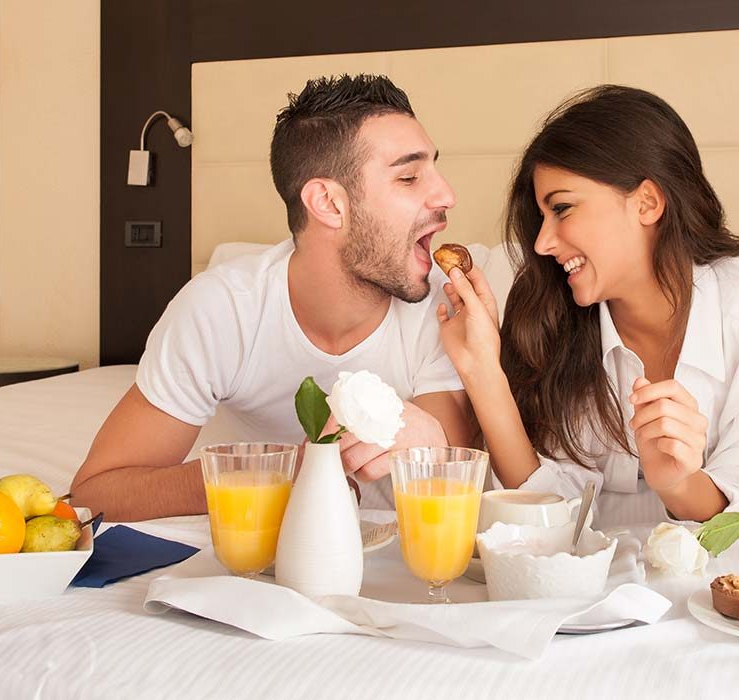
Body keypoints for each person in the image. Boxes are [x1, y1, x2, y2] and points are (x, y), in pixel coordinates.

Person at [437, 85, 739, 525]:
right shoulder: (548, 313)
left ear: (647, 202)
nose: (542, 242)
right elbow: (545, 505)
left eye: (562, 209)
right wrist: (482, 371)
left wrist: (677, 482)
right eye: (541, 218)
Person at [72, 75, 473, 521]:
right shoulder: (222, 310)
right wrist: (270, 473)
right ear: (328, 203)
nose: (447, 195)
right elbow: (98, 492)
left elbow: (458, 479)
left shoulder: (441, 306)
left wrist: (429, 435)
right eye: (410, 176)